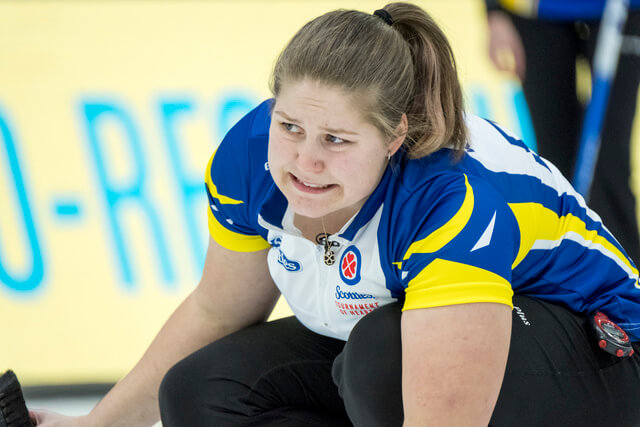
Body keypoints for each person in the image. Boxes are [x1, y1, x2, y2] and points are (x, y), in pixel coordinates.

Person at [30, 2, 640, 426]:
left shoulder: (451, 198)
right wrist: (96, 425)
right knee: (201, 391)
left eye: (337, 141)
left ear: (396, 136)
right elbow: (217, 310)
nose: (305, 161)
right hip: (412, 337)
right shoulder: (251, 156)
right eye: (290, 126)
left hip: (605, 356)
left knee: (378, 361)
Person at [485, 0, 640, 264]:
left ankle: (628, 281)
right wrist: (493, 11)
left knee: (609, 164)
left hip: (619, 11)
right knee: (555, 164)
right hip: (535, 12)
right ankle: (565, 279)